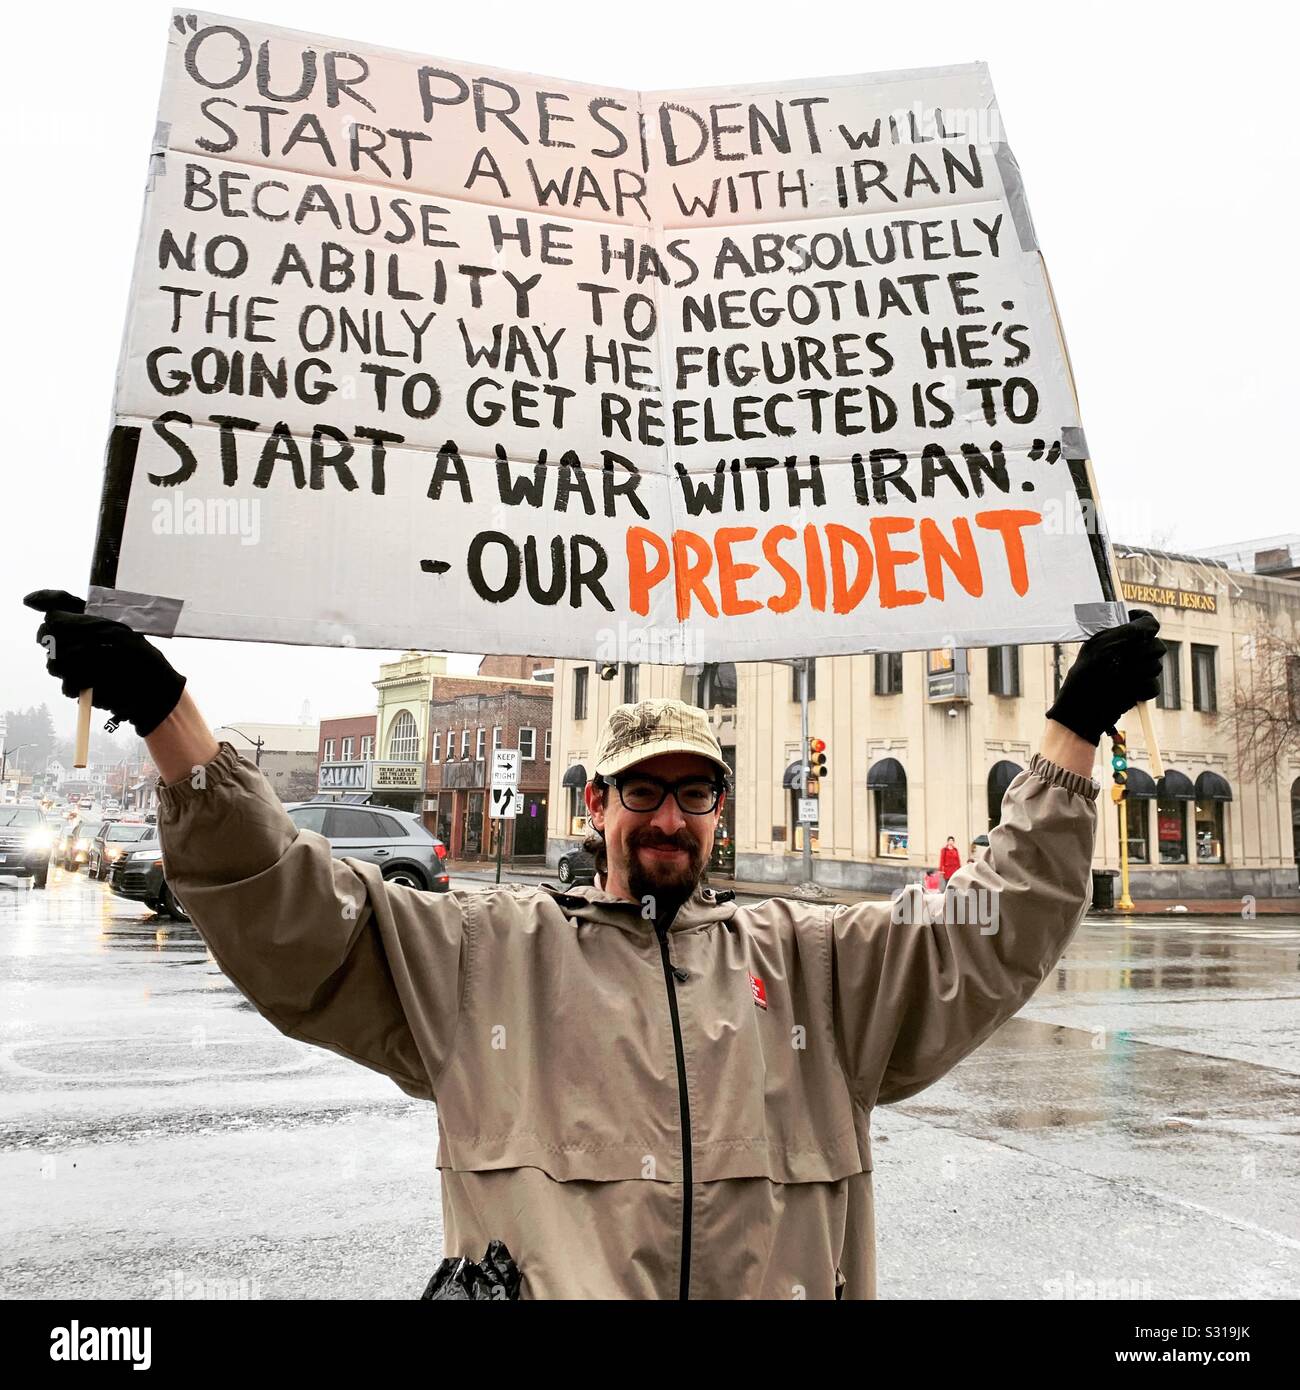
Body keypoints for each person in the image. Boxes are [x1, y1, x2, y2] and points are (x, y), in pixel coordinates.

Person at [25, 589, 1163, 1300]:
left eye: (694, 794)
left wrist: (1069, 739)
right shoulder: (483, 957)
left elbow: (995, 923)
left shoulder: (821, 966)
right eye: (641, 792)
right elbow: (292, 911)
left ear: (721, 811)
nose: (667, 818)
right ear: (595, 806)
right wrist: (169, 719)